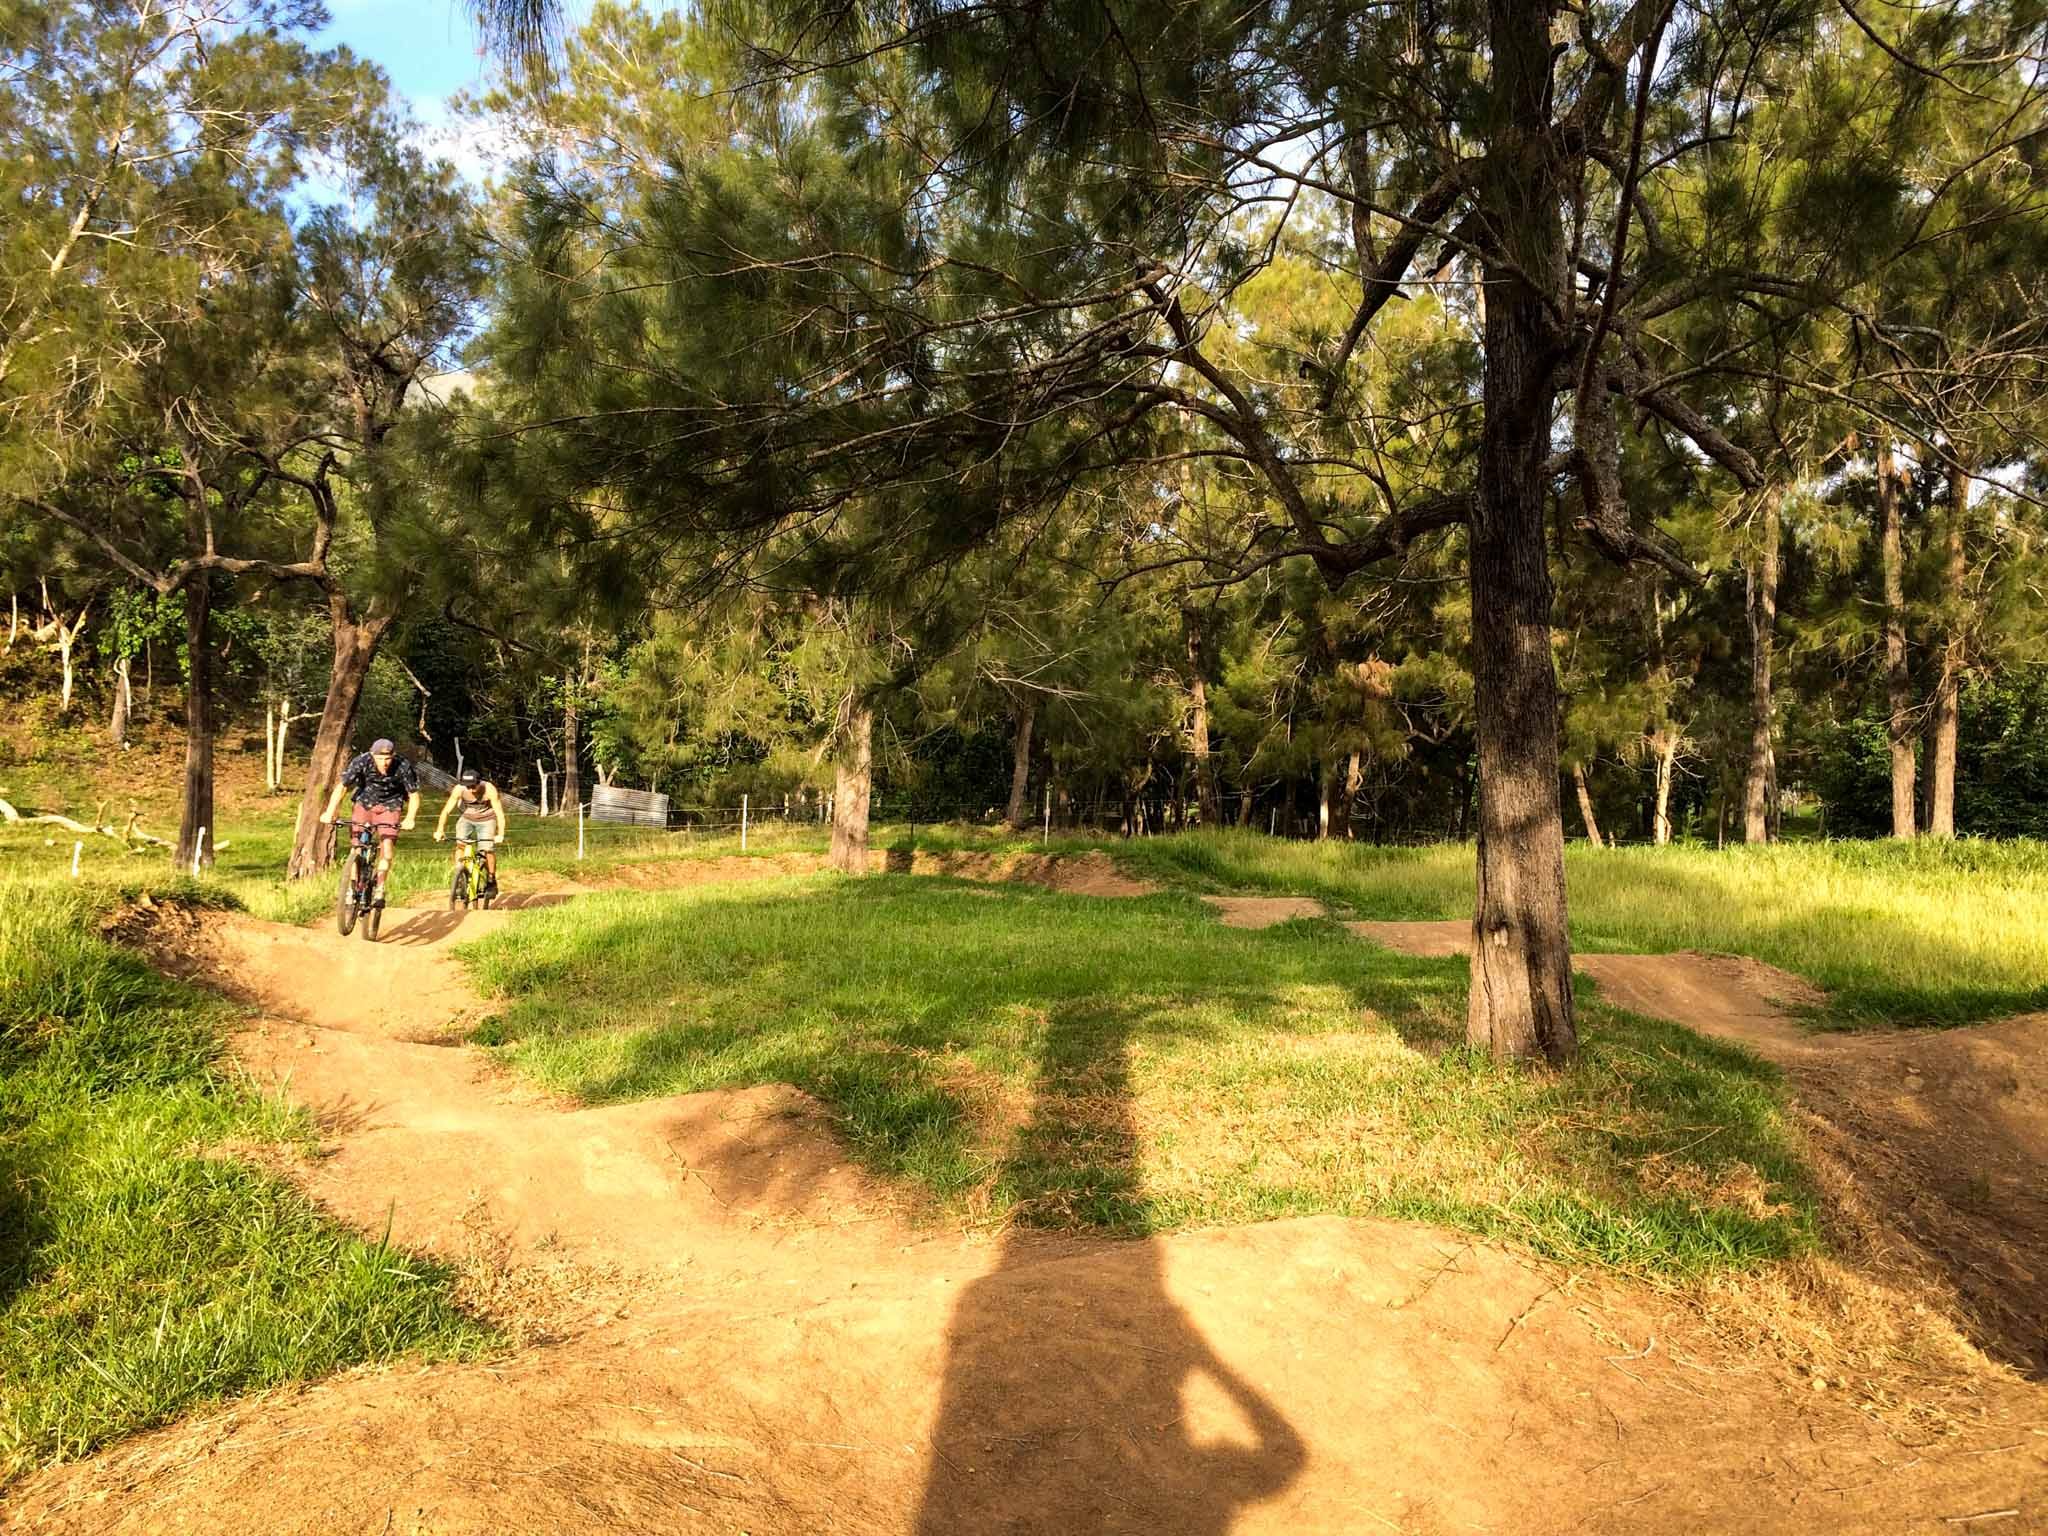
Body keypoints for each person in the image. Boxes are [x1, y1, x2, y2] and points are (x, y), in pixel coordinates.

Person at [318, 737, 419, 902]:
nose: (384, 763)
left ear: (393, 756)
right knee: (356, 847)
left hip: (390, 806)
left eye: (388, 758)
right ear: (372, 755)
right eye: (380, 758)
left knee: (387, 849)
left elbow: (413, 795)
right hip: (364, 803)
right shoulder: (362, 761)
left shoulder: (403, 765)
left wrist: (410, 818)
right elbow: (342, 787)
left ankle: (380, 887)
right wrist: (330, 811)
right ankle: (352, 888)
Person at [433, 767, 506, 897]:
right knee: (460, 844)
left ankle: (491, 879)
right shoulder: (459, 789)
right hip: (466, 818)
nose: (471, 789)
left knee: (487, 849)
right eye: (468, 787)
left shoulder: (489, 789)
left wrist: (500, 834)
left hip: (487, 820)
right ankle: (460, 878)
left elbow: (499, 813)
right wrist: (440, 830)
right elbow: (446, 811)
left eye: (473, 786)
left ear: (479, 782)